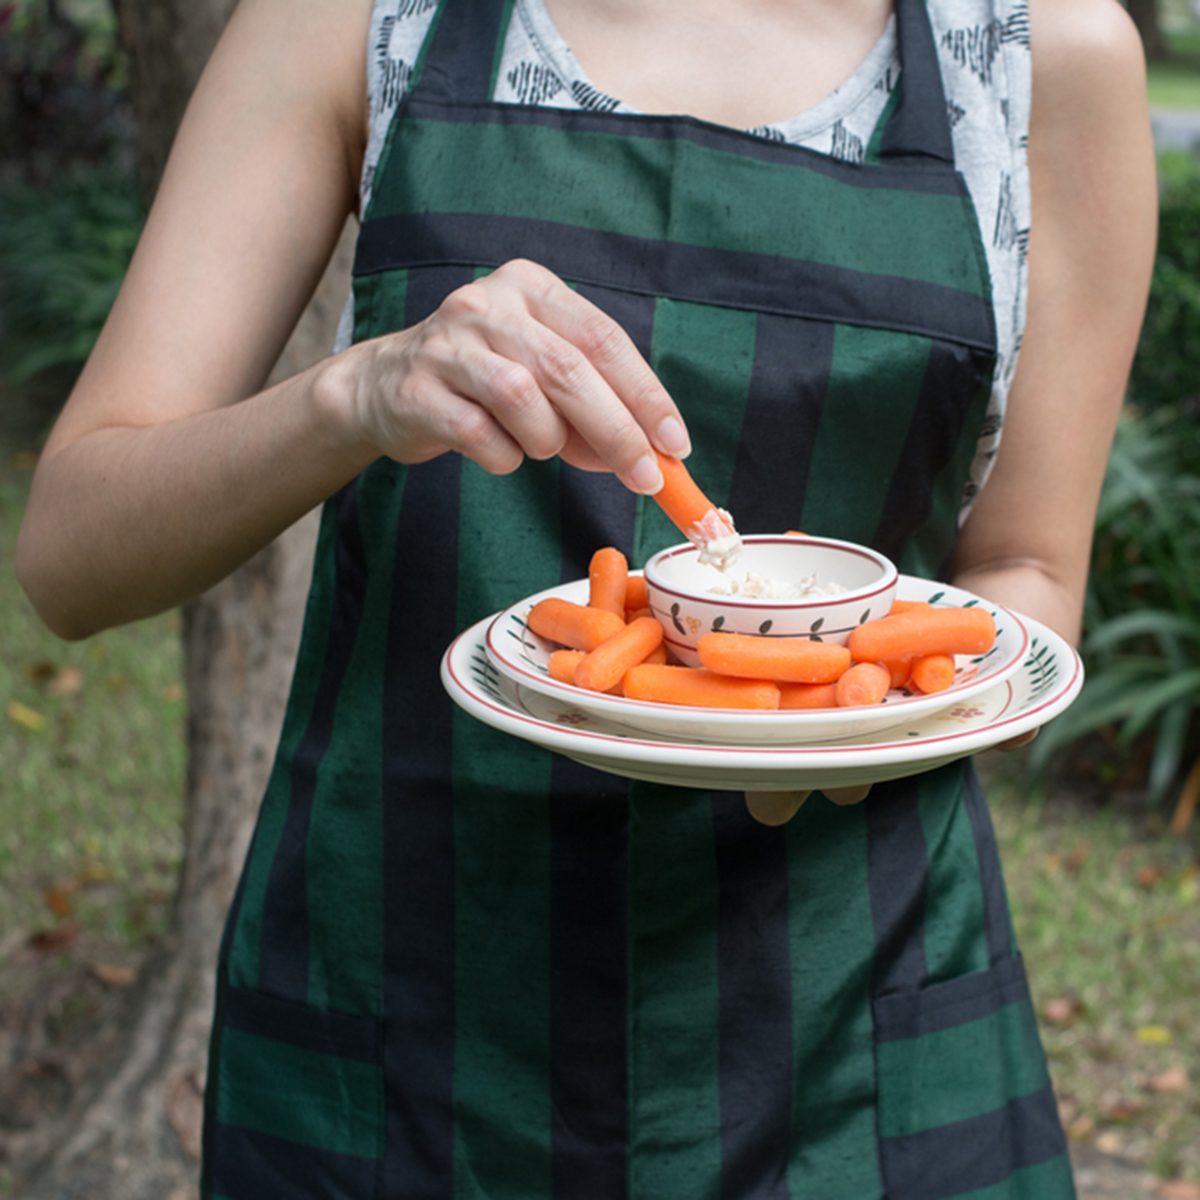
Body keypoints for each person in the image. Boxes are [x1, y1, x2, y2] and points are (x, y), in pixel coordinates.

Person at [16, 0, 1155, 1195]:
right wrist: (355, 395)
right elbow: (71, 553)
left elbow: (1024, 570)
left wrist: (877, 720)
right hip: (408, 1009)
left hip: (858, 1025)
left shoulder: (1043, 58)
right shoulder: (349, 16)